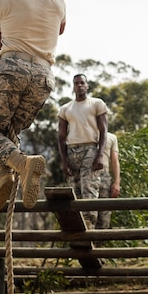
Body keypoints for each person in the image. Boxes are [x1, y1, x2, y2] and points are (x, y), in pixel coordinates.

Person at [0, 0, 66, 213]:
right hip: (43, 77)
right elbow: (59, 28)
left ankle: (22, 164)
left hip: (12, 68)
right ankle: (6, 175)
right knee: (7, 132)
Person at [58, 74, 108, 229]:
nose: (79, 85)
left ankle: (89, 225)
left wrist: (100, 155)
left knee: (89, 186)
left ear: (87, 86)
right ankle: (77, 227)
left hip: (90, 148)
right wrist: (64, 162)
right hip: (72, 150)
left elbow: (103, 131)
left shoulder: (96, 104)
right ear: (73, 86)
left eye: (82, 83)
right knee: (75, 189)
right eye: (76, 83)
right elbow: (61, 136)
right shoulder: (65, 109)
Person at [95, 131, 121, 231]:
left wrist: (117, 182)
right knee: (86, 214)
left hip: (104, 177)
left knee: (104, 216)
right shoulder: (85, 135)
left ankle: (99, 244)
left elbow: (115, 161)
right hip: (86, 175)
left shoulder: (111, 137)